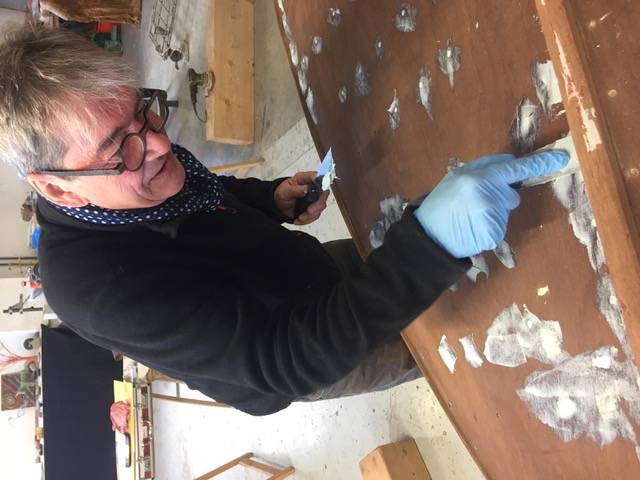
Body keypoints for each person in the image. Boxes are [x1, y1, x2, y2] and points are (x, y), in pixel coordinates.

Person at [0, 25, 567, 415]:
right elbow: (284, 360)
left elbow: (200, 193)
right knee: (462, 331)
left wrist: (267, 199)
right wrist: (427, 245)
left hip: (296, 267)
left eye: (144, 111)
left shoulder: (137, 163)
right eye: (120, 149)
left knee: (418, 274)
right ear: (55, 186)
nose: (158, 142)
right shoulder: (95, 289)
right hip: (301, 350)